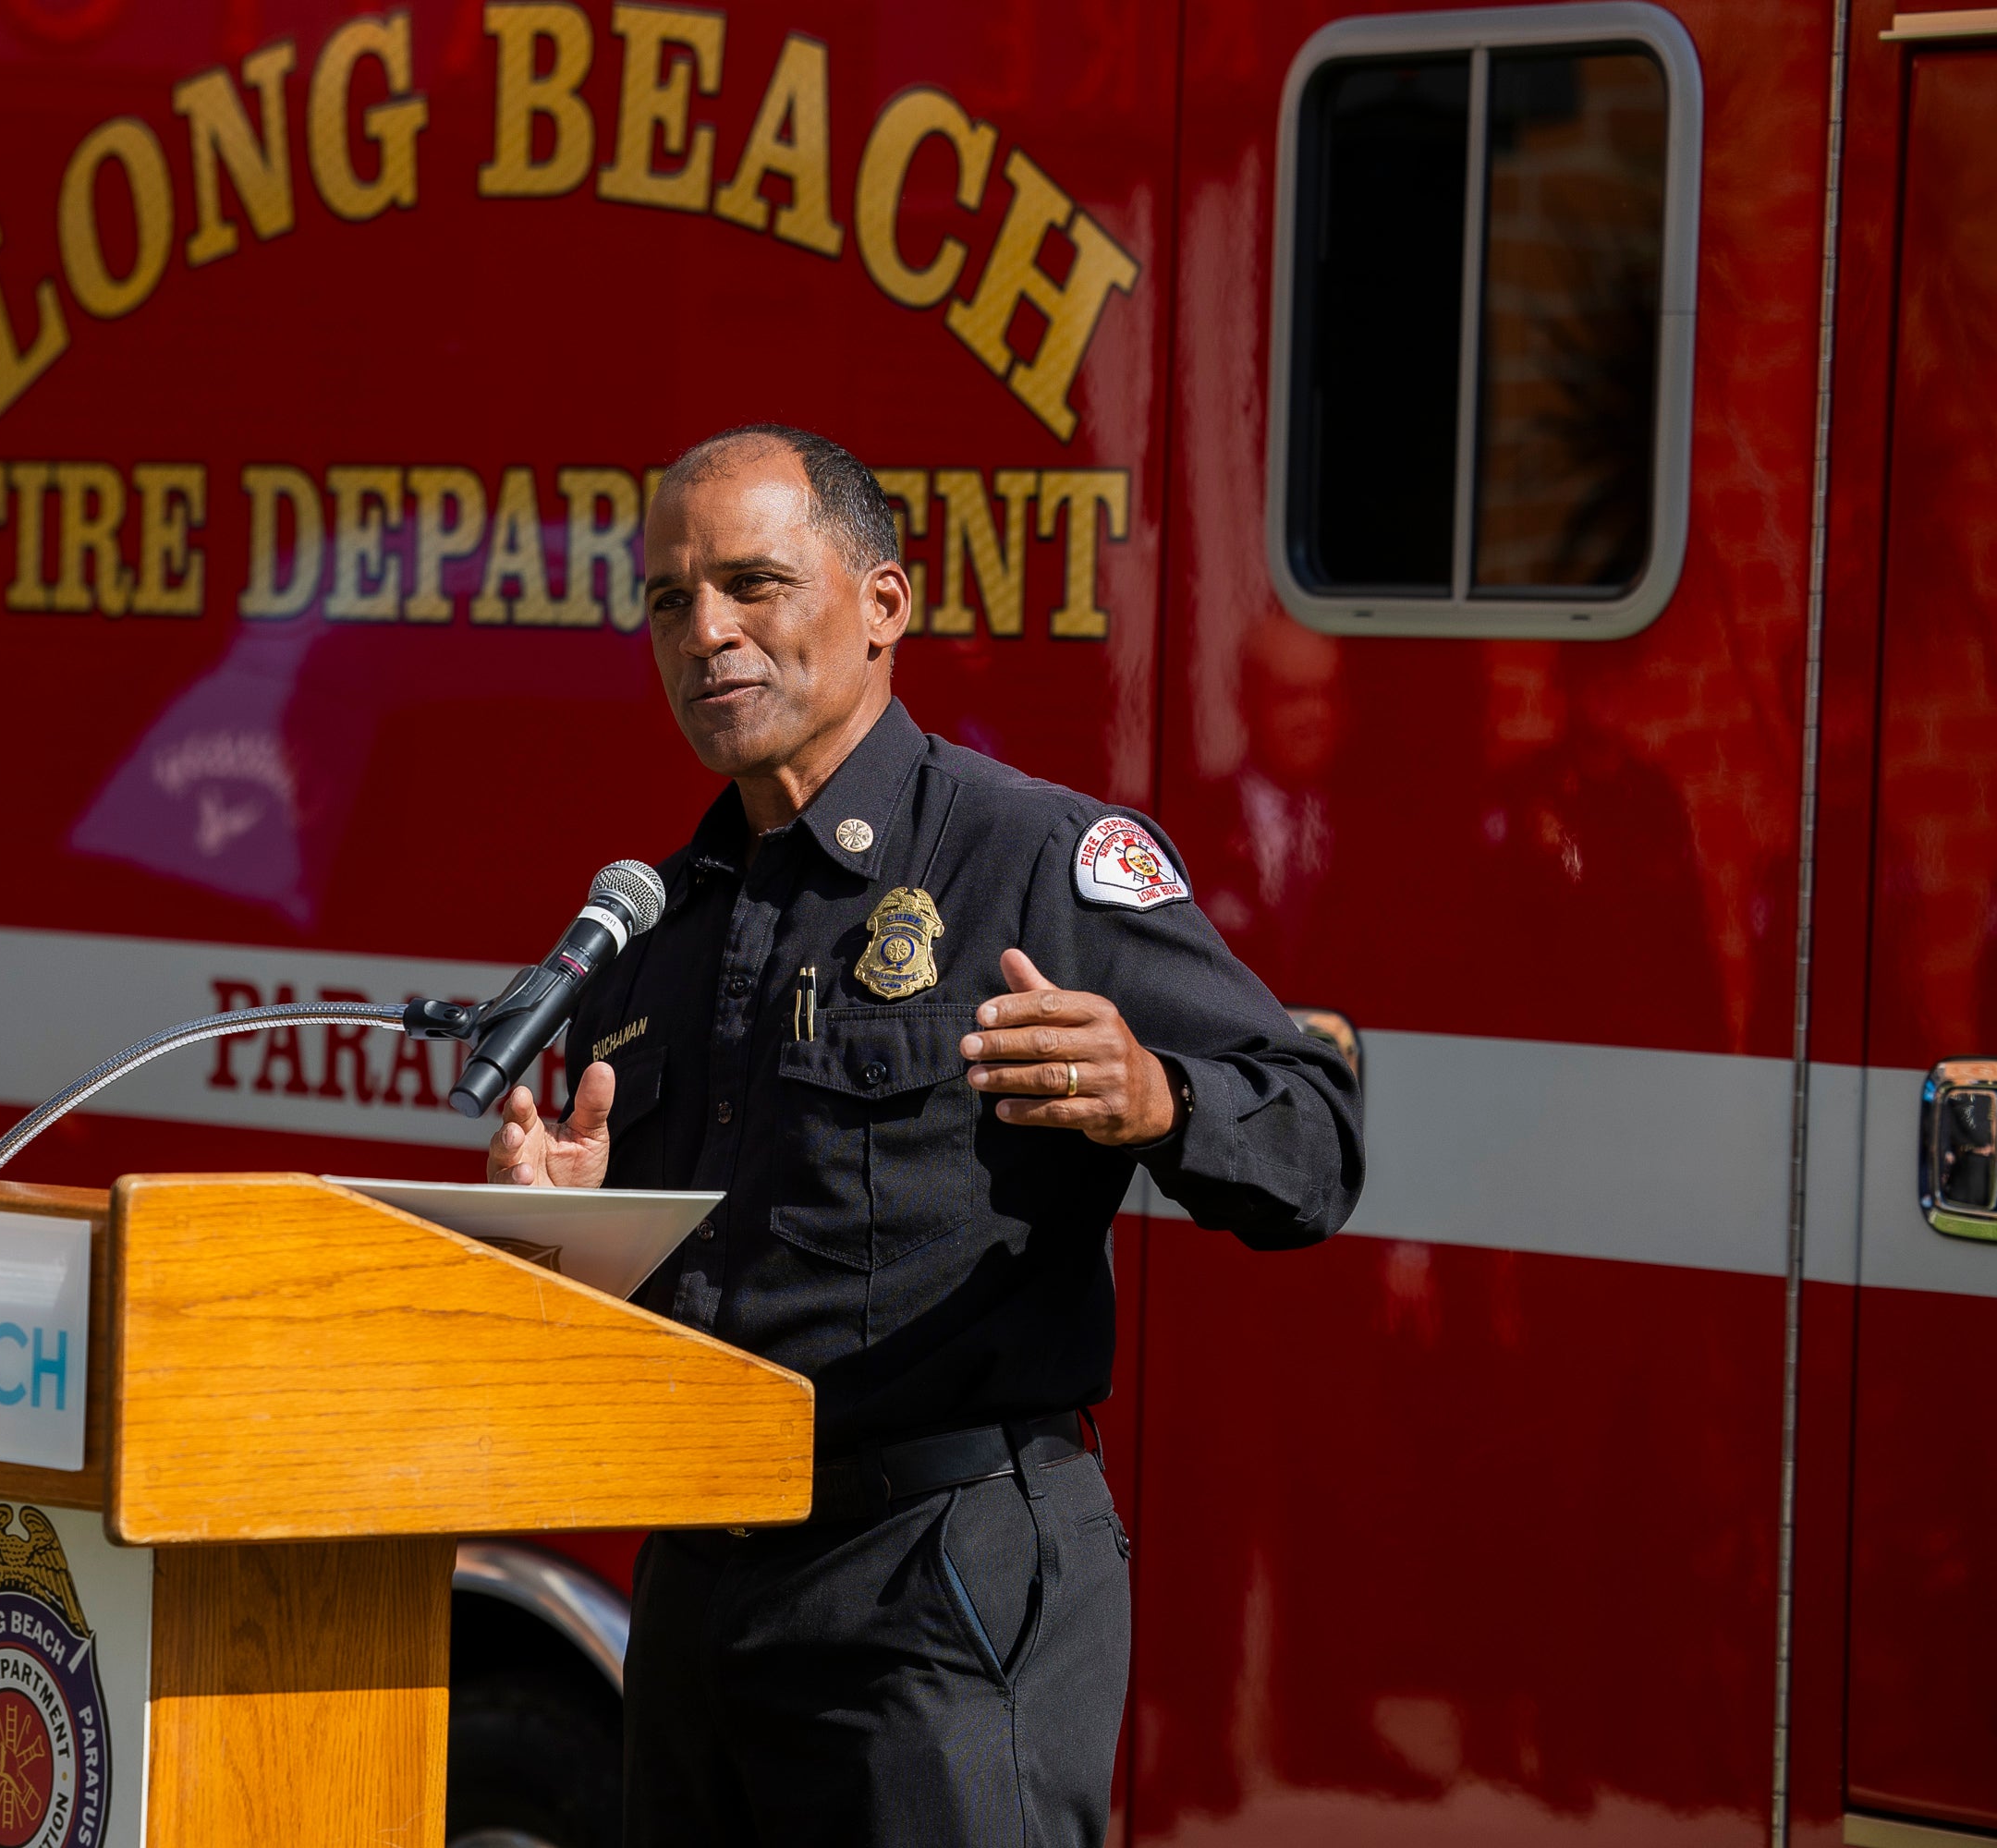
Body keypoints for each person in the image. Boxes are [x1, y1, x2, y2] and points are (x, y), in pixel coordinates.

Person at [486, 424, 1364, 1847]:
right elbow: (695, 1293)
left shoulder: (1032, 857)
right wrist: (564, 1235)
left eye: (756, 584)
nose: (707, 632)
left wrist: (1158, 1095)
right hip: (706, 1596)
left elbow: (1316, 1138)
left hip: (937, 1592)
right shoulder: (662, 927)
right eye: (668, 599)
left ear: (883, 605)